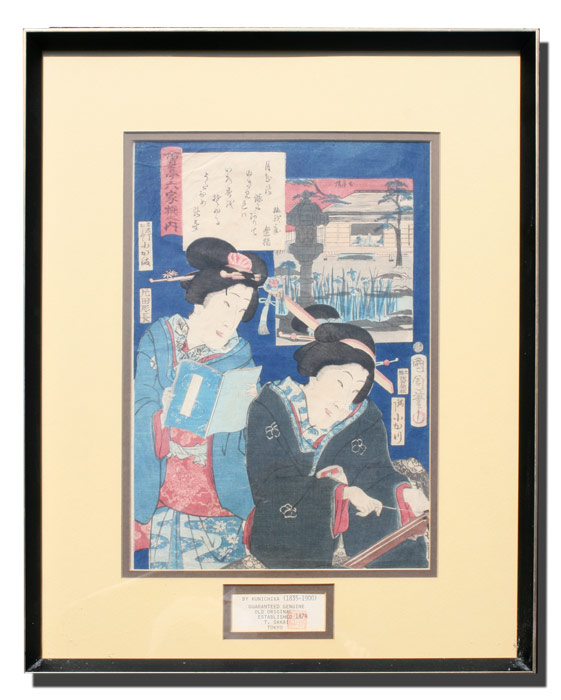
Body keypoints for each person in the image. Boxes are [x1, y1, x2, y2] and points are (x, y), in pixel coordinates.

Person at [244, 304, 428, 569]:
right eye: (340, 383)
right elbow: (268, 484)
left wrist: (405, 492)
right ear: (316, 369)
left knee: (391, 518)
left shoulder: (364, 417)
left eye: (354, 390)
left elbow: (377, 473)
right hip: (283, 520)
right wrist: (340, 492)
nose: (344, 400)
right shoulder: (271, 405)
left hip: (349, 520)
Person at [134, 237, 268, 569]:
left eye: (241, 310)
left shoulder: (239, 355)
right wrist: (161, 413)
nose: (231, 320)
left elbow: (250, 434)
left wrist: (251, 411)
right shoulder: (161, 338)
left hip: (220, 494)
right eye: (227, 305)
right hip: (166, 492)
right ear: (202, 297)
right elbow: (138, 405)